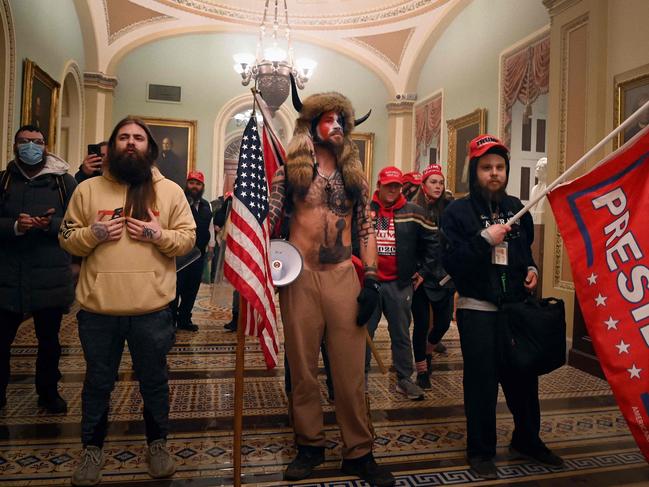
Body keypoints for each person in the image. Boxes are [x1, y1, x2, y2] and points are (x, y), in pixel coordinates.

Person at [267, 81, 394, 486]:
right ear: (312, 124)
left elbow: (367, 227)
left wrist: (371, 280)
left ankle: (358, 451)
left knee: (350, 372)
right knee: (302, 369)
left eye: (343, 119)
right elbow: (268, 220)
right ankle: (309, 445)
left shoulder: (354, 176)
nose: (337, 124)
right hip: (300, 278)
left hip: (343, 278)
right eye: (330, 118)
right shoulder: (290, 172)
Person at [59, 117, 196, 486]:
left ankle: (158, 445)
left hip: (152, 311)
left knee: (154, 381)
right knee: (97, 383)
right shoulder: (87, 190)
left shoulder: (170, 192)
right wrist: (94, 233)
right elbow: (67, 238)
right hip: (98, 312)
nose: (131, 143)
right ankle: (91, 450)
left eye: (138, 137)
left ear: (149, 147)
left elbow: (187, 240)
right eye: (124, 137)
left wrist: (157, 234)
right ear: (112, 145)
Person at [441, 134, 564, 480]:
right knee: (481, 383)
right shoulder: (457, 213)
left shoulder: (517, 209)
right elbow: (452, 262)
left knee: (524, 377)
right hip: (477, 310)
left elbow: (524, 251)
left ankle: (527, 439)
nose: (494, 173)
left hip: (517, 312)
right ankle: (480, 451)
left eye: (499, 167)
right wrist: (483, 240)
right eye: (486, 167)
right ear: (474, 171)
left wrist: (532, 270)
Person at [0, 125, 77, 413]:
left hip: (50, 275)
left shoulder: (64, 183)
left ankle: (48, 392)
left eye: (37, 142)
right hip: (7, 275)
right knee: (1, 341)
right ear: (15, 146)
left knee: (49, 342)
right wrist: (16, 226)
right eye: (24, 141)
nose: (30, 146)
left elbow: (75, 223)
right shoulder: (4, 180)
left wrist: (50, 225)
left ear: (46, 146)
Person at [365, 166, 438, 401]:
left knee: (401, 334)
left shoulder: (414, 212)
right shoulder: (365, 211)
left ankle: (405, 380)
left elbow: (434, 244)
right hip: (370, 283)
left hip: (400, 283)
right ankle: (360, 379)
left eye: (396, 185)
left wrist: (424, 271)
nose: (392, 190)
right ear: (379, 186)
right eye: (388, 185)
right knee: (364, 333)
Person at [410, 163, 454, 389]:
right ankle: (422, 369)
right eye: (433, 182)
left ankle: (428, 351)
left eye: (441, 182)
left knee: (443, 324)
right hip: (420, 276)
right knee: (421, 324)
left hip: (445, 276)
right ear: (423, 184)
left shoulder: (449, 208)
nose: (438, 186)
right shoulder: (413, 208)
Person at [171, 170, 214, 331]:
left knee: (191, 290)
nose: (194, 186)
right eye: (191, 183)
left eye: (198, 184)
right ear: (186, 184)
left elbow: (210, 227)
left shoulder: (206, 205)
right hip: (180, 256)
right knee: (176, 289)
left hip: (199, 256)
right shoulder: (179, 202)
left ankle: (184, 319)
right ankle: (171, 322)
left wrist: (211, 246)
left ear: (202, 186)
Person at [529, 157, 547, 224]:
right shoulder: (534, 189)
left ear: (546, 170)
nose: (537, 169)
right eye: (536, 167)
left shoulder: (548, 188)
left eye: (540, 167)